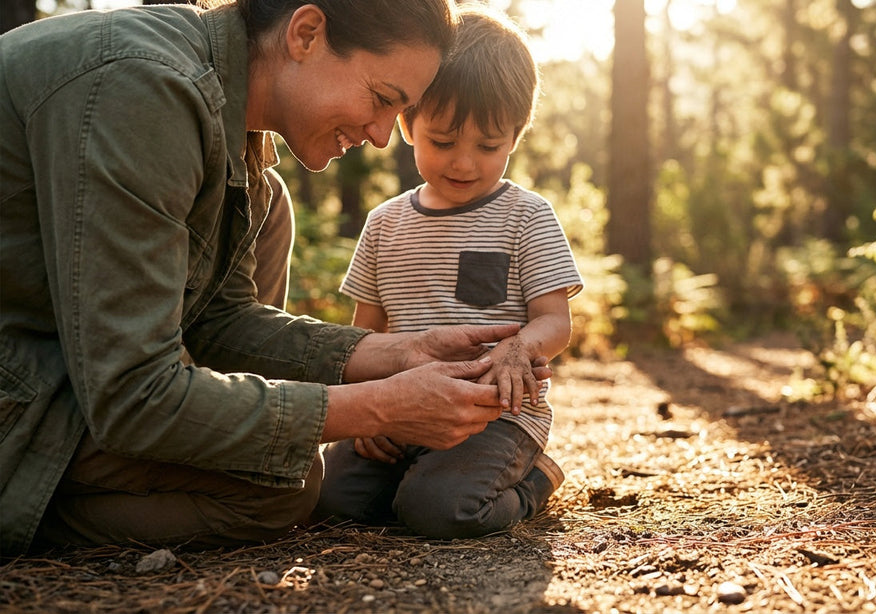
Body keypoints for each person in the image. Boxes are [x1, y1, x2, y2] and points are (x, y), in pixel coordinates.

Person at [0, 0, 551, 558]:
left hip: (57, 371)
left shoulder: (233, 125)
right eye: (382, 99)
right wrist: (378, 407)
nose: (384, 136)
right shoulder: (146, 89)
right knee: (280, 482)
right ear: (306, 34)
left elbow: (219, 319)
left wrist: (398, 353)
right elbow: (133, 392)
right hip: (30, 388)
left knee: (282, 485)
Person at [314, 6, 583, 539]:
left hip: (494, 417)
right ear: (408, 121)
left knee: (439, 510)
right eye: (442, 141)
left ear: (515, 136)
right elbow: (364, 333)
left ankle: (534, 482)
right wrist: (368, 411)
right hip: (400, 411)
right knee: (327, 499)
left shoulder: (526, 216)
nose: (464, 163)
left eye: (488, 146)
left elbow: (556, 321)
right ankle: (415, 477)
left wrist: (520, 348)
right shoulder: (385, 223)